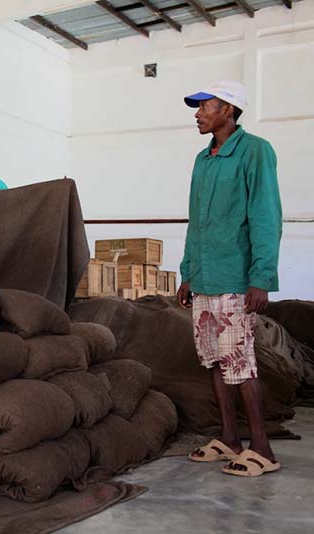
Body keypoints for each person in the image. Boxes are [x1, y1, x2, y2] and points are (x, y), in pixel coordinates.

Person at [178, 80, 283, 477]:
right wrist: (188, 274)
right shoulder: (203, 160)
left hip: (236, 279)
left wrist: (261, 278)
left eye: (205, 106)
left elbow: (266, 216)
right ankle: (229, 439)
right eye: (198, 107)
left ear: (228, 109)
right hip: (205, 277)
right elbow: (195, 223)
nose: (198, 113)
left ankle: (262, 449)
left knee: (240, 361)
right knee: (214, 361)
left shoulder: (255, 151)